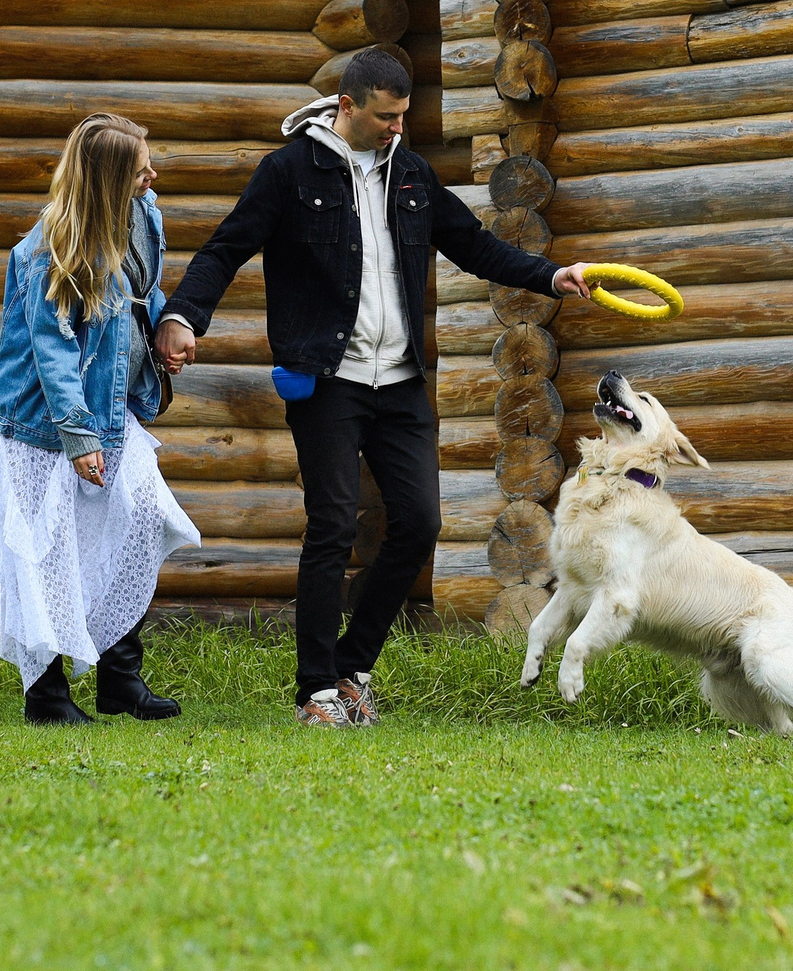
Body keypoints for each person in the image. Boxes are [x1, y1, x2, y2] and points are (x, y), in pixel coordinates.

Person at [155, 48, 589, 727]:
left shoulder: (410, 175)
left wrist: (549, 275)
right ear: (347, 106)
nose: (397, 128)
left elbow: (474, 245)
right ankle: (315, 693)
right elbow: (225, 249)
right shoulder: (288, 171)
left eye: (403, 116)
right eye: (386, 117)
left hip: (400, 382)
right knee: (332, 525)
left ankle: (351, 669)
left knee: (419, 523)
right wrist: (184, 317)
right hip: (328, 380)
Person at [0, 112, 200, 726]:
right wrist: (78, 438)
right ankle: (46, 695)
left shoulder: (141, 217)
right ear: (107, 182)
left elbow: (142, 292)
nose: (152, 179)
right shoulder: (49, 250)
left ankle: (119, 679)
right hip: (41, 422)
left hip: (109, 406)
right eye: (140, 172)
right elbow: (52, 351)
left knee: (141, 514)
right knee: (46, 552)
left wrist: (164, 330)